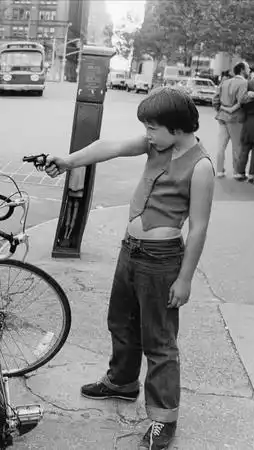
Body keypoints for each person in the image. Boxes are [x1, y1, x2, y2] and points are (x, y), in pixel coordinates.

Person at [42, 87, 216, 450]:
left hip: (162, 260)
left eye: (153, 127)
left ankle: (163, 419)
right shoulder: (158, 144)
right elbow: (112, 146)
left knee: (160, 342)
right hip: (131, 251)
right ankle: (122, 382)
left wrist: (184, 279)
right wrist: (68, 160)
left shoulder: (200, 167)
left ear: (177, 127)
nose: (148, 134)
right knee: (120, 321)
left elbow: (198, 227)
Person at [221, 77, 254, 182]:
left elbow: (240, 108)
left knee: (244, 151)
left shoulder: (245, 98)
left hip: (247, 124)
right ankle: (252, 175)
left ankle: (239, 173)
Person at [212, 62, 251, 180]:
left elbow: (215, 99)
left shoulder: (225, 82)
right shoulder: (244, 83)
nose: (249, 70)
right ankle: (237, 171)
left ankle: (219, 170)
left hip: (222, 117)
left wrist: (221, 109)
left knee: (221, 146)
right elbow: (242, 100)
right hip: (236, 118)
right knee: (237, 146)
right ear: (242, 70)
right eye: (248, 68)